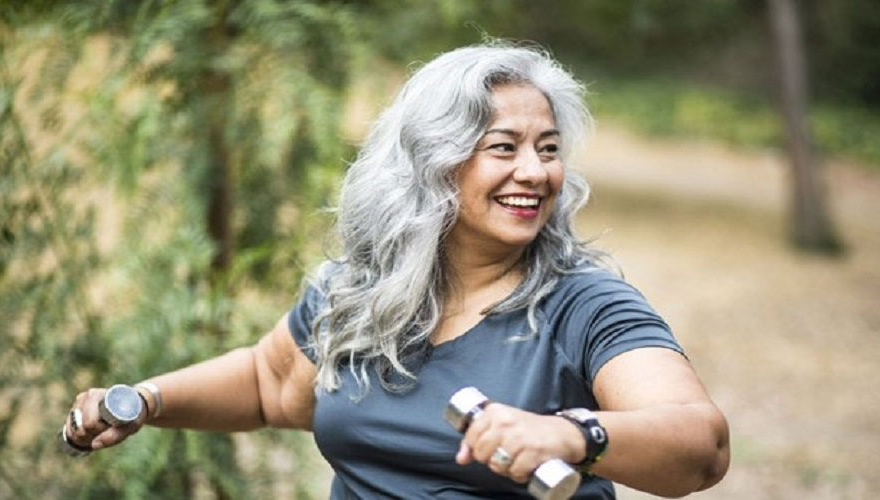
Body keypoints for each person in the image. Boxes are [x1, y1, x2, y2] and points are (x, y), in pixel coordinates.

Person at [63, 43, 730, 499]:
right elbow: (270, 385)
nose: (535, 171)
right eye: (504, 147)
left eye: (548, 149)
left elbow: (700, 443)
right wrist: (146, 401)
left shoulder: (584, 306)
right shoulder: (359, 289)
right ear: (432, 163)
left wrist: (572, 433)